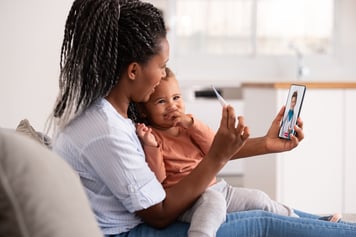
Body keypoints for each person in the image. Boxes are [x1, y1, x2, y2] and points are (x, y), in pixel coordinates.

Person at [50, 0, 356, 236]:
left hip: (156, 214)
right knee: (261, 222)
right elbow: (159, 212)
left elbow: (204, 149)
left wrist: (266, 143)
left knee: (261, 204)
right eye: (162, 65)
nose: (162, 77)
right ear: (133, 71)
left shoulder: (114, 111)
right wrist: (217, 159)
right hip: (130, 231)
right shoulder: (105, 128)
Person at [136, 67, 303, 237]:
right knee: (214, 203)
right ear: (143, 110)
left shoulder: (189, 127)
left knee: (259, 198)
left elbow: (214, 146)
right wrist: (151, 147)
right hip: (186, 202)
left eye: (176, 98)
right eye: (161, 102)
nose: (172, 106)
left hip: (217, 188)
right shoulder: (151, 137)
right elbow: (159, 180)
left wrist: (192, 123)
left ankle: (304, 223)